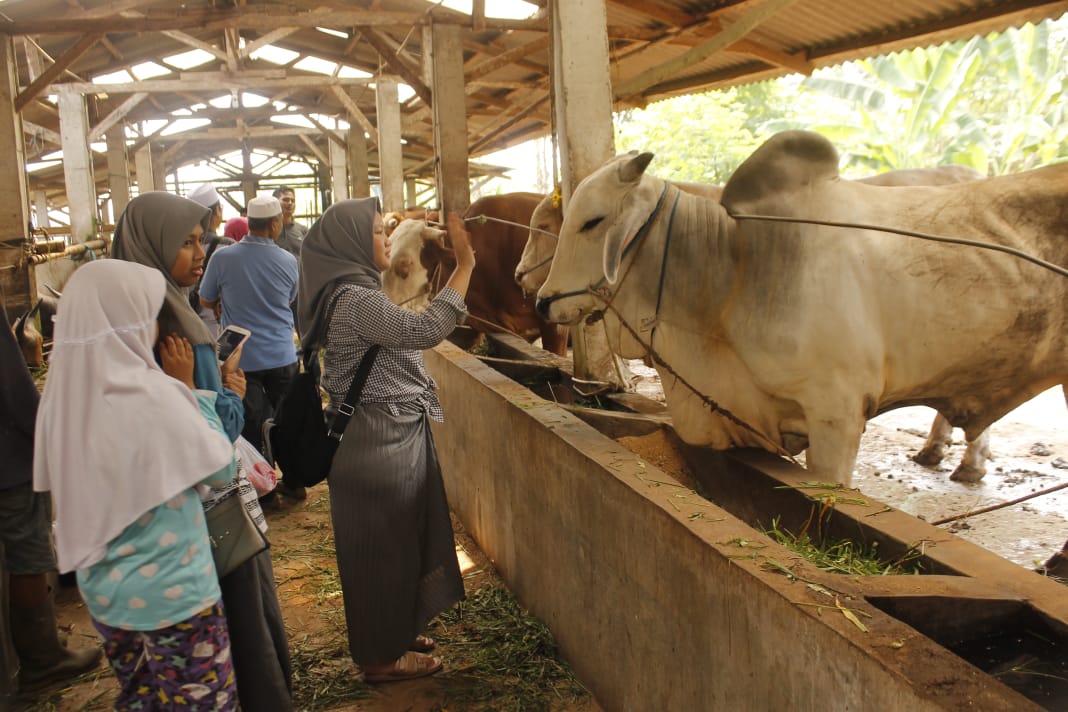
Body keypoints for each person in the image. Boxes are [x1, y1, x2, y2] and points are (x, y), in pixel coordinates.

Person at [110, 192, 294, 710]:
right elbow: (206, 439)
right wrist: (227, 394)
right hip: (207, 509)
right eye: (184, 243)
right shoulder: (166, 326)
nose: (198, 254)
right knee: (239, 617)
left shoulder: (144, 314)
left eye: (199, 240)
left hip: (180, 511)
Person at [33, 260, 239, 710]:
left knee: (140, 695)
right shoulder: (154, 395)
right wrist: (191, 390)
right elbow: (220, 468)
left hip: (106, 594)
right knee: (204, 701)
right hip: (176, 594)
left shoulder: (60, 398)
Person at [297, 198, 475, 682]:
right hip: (377, 438)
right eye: (378, 232)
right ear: (352, 242)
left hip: (389, 431)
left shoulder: (349, 291)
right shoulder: (355, 297)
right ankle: (380, 659)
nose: (387, 240)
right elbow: (425, 329)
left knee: (398, 540)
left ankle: (393, 631)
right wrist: (465, 265)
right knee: (382, 550)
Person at [0, 303, 101, 696]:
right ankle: (42, 659)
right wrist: (48, 430)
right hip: (9, 458)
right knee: (28, 556)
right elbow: (13, 385)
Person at [199, 195, 302, 500]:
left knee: (252, 426)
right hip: (282, 354)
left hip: (242, 359)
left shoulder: (222, 258)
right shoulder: (287, 260)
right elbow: (291, 299)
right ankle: (294, 482)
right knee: (285, 421)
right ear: (274, 224)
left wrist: (223, 301)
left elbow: (205, 298)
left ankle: (264, 491)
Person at [187, 183, 235, 336]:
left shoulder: (178, 247)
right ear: (217, 211)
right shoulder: (228, 247)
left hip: (186, 327)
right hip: (218, 328)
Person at [272, 186, 307, 258]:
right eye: (286, 200)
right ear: (275, 202)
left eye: (293, 200)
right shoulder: (269, 231)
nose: (290, 203)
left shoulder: (303, 230)